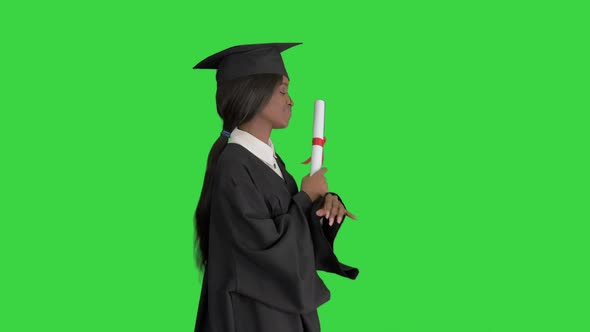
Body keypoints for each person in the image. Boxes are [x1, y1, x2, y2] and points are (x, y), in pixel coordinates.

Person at [192, 42, 359, 332]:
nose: (291, 101)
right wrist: (306, 196)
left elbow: (293, 233)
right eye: (283, 91)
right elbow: (264, 249)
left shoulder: (268, 160)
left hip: (279, 310)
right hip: (250, 315)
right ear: (252, 95)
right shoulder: (233, 165)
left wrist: (323, 205)